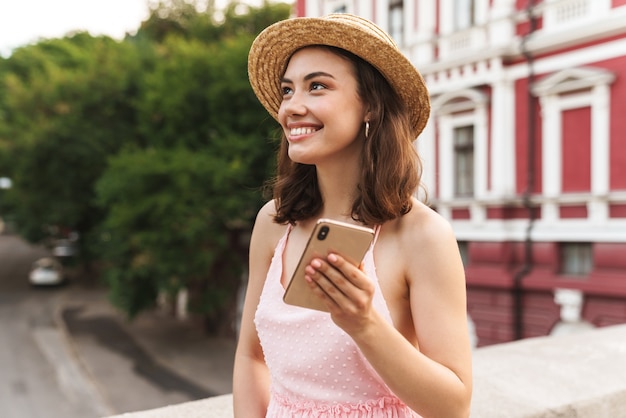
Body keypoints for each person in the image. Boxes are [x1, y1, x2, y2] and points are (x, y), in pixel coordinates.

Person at [233, 13, 472, 418]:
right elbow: (251, 355)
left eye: (318, 86)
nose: (292, 106)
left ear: (371, 107)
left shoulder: (423, 236)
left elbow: (454, 407)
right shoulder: (273, 223)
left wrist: (364, 324)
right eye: (288, 90)